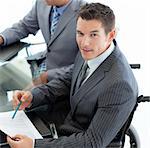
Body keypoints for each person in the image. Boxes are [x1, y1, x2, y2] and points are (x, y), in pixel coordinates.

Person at [7, 3, 138, 148]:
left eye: (94, 34)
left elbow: (91, 142)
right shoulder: (91, 52)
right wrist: (32, 96)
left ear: (111, 35)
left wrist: (34, 145)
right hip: (67, 127)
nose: (84, 43)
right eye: (80, 33)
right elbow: (66, 81)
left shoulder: (119, 85)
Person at [0, 0, 86, 106]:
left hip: (61, 78)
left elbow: (85, 65)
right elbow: (25, 26)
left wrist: (48, 75)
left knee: (20, 103)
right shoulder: (42, 3)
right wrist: (2, 38)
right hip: (39, 65)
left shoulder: (86, 12)